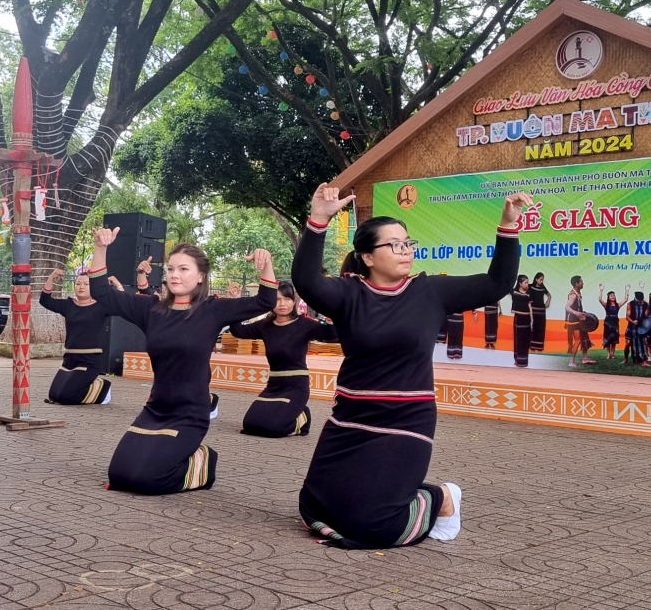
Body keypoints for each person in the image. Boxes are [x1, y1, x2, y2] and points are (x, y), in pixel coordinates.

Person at [293, 183, 527, 549]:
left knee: (374, 526)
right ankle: (387, 489)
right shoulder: (348, 293)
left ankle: (442, 497)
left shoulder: (430, 291)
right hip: (351, 418)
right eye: (394, 244)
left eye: (407, 243)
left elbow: (498, 283)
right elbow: (306, 281)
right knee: (317, 507)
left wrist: (508, 225)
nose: (405, 250)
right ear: (368, 257)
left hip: (406, 421)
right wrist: (318, 220)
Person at [90, 228, 276, 495]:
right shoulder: (151, 310)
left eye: (184, 269)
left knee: (148, 481)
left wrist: (266, 263)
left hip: (190, 412)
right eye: (170, 269)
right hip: (156, 409)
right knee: (120, 476)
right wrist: (100, 247)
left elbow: (265, 300)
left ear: (200, 276)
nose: (175, 275)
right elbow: (102, 293)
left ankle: (203, 463)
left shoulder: (213, 309)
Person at [229, 281, 336, 437]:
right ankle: (289, 415)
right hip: (273, 386)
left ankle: (303, 417)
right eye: (277, 299)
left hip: (296, 387)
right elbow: (238, 331)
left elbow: (331, 334)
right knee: (250, 425)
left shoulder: (304, 324)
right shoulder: (265, 325)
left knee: (273, 429)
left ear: (294, 301)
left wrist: (330, 310)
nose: (282, 304)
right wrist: (235, 302)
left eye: (287, 299)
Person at [39, 267, 113, 406]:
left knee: (67, 397)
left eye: (86, 284)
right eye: (78, 284)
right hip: (70, 359)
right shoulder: (69, 305)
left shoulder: (102, 306)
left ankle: (103, 389)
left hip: (89, 360)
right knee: (55, 396)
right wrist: (52, 277)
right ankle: (88, 386)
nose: (81, 287)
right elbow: (45, 301)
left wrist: (117, 286)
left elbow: (122, 304)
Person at [565, 276, 594, 367]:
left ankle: (585, 358)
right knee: (578, 340)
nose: (583, 283)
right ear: (576, 284)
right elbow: (567, 307)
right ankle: (572, 361)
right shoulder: (573, 294)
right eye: (581, 282)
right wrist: (576, 313)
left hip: (579, 320)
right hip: (574, 321)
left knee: (584, 338)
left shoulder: (578, 293)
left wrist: (581, 313)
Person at [597, 284, 623, 361]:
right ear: (608, 297)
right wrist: (601, 290)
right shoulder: (606, 305)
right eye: (611, 295)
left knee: (614, 340)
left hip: (615, 322)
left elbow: (625, 299)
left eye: (614, 295)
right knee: (608, 339)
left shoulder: (618, 305)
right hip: (608, 322)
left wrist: (627, 291)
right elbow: (600, 299)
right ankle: (608, 354)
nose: (613, 296)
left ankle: (613, 354)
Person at [510, 275, 532, 367]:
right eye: (525, 283)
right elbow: (507, 285)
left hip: (527, 319)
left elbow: (530, 307)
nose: (527, 284)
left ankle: (524, 362)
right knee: (518, 340)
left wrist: (532, 320)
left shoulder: (529, 294)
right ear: (520, 283)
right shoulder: (514, 292)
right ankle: (517, 360)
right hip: (518, 318)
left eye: (527, 282)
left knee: (525, 340)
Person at [626, 292, 651, 365]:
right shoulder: (630, 304)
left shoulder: (646, 304)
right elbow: (627, 316)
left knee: (643, 343)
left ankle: (644, 361)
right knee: (632, 343)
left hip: (642, 327)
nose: (640, 302)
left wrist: (645, 321)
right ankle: (634, 359)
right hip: (632, 326)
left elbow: (646, 315)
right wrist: (633, 321)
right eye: (638, 301)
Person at [527, 273, 550, 352]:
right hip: (533, 310)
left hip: (541, 311)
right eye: (540, 279)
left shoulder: (543, 288)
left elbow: (549, 295)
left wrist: (547, 302)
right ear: (536, 279)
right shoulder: (530, 287)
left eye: (542, 280)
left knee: (541, 328)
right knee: (533, 328)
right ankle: (532, 346)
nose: (541, 281)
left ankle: (539, 346)